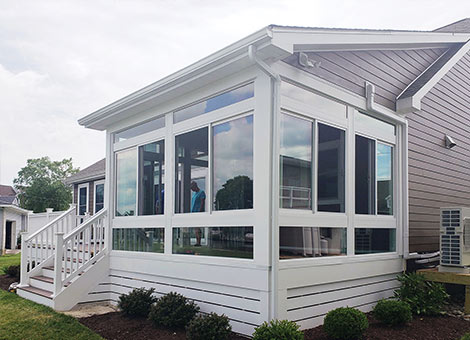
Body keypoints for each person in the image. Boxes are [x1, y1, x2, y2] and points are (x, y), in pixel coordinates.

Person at [190, 181, 205, 246]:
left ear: (195, 186)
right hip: (193, 212)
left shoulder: (201, 192)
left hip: (198, 212)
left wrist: (200, 211)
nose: (192, 189)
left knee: (198, 228)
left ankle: (199, 242)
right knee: (195, 228)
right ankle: (197, 241)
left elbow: (202, 202)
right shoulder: (194, 194)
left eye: (192, 188)